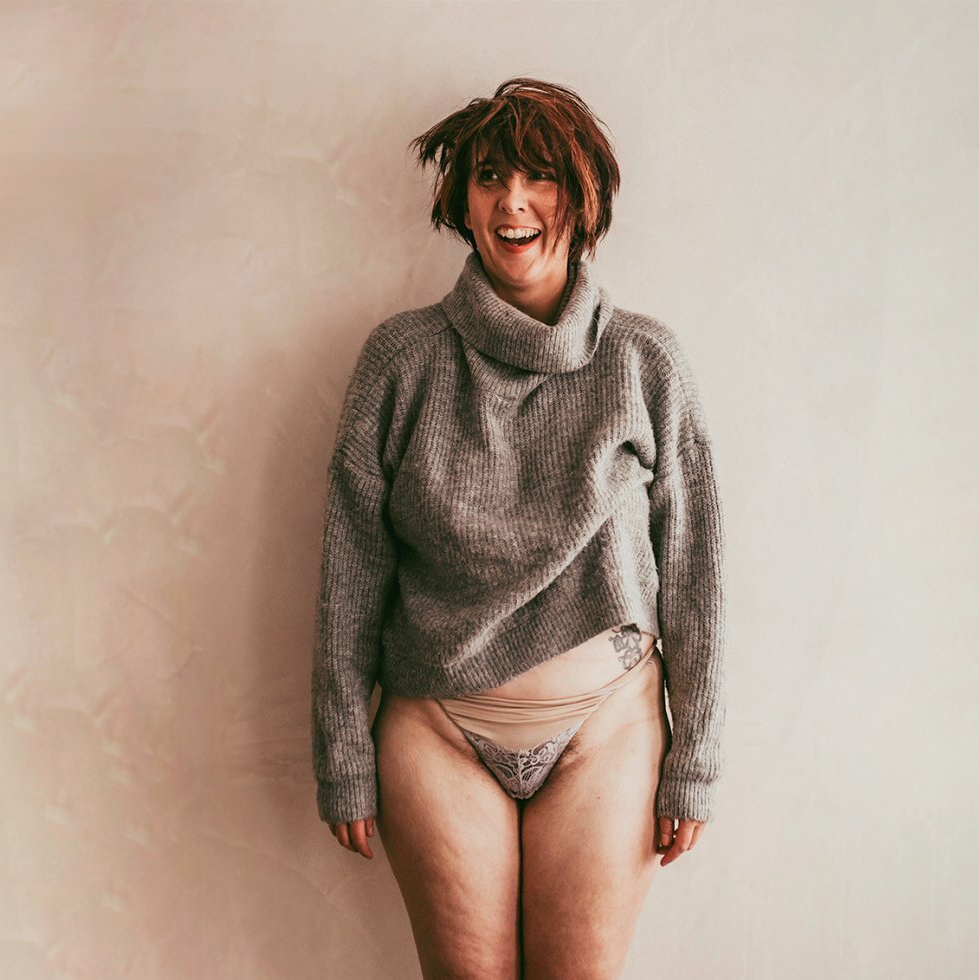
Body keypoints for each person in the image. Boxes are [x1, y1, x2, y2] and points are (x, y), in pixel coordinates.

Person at [310, 76, 726, 979]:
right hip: (438, 733)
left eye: (540, 177)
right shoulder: (400, 360)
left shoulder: (645, 360)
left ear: (584, 197)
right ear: (462, 201)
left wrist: (695, 753)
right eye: (490, 177)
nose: (513, 201)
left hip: (608, 729)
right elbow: (352, 568)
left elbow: (694, 567)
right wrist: (341, 749)